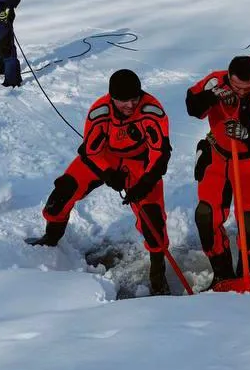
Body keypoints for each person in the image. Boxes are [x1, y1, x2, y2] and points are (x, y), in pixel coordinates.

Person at [28, 69, 175, 296]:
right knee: (62, 193)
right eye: (123, 101)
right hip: (105, 157)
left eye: (134, 99)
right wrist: (108, 174)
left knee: (153, 221)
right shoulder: (100, 112)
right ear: (112, 97)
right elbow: (91, 151)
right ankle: (51, 239)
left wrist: (144, 183)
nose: (130, 105)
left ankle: (158, 275)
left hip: (140, 162)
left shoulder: (151, 112)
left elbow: (160, 154)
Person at [185, 56, 250, 285]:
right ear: (229, 77)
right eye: (235, 86)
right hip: (217, 156)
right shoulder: (216, 81)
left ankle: (244, 273)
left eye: (245, 87)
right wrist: (212, 96)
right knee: (206, 216)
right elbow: (192, 106)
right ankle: (221, 275)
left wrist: (247, 134)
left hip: (249, 160)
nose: (240, 91)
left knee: (249, 222)